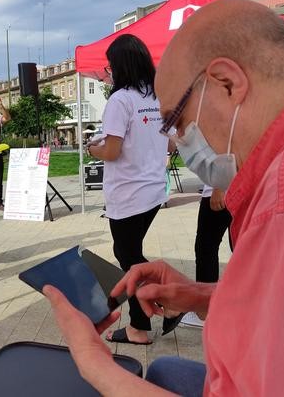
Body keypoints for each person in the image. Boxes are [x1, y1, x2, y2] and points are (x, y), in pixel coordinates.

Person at [45, 0, 284, 396]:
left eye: (178, 120)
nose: (180, 139)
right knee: (169, 371)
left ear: (227, 83)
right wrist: (205, 296)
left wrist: (92, 361)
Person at [87, 33, 175, 345]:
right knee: (131, 254)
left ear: (120, 66)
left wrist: (91, 149)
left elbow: (111, 152)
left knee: (128, 256)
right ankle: (164, 303)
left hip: (127, 193)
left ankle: (148, 318)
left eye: (109, 67)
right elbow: (173, 141)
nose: (108, 72)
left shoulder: (120, 99)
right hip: (152, 190)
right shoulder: (157, 98)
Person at [179, 184, 232, 329]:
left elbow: (228, 159)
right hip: (239, 186)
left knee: (206, 248)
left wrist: (219, 188)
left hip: (224, 188)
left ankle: (203, 313)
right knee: (238, 247)